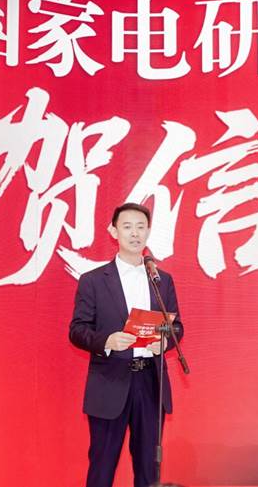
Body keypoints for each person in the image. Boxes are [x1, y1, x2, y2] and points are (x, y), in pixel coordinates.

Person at [69, 202, 184, 487]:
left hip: (150, 382)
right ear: (114, 231)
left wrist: (165, 341)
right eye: (128, 227)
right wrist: (106, 341)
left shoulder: (161, 280)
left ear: (148, 231)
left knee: (148, 469)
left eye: (141, 227)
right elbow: (77, 330)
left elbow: (177, 326)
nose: (135, 233)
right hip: (110, 381)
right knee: (102, 468)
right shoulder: (93, 281)